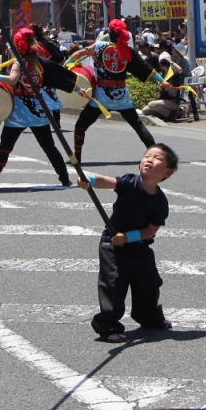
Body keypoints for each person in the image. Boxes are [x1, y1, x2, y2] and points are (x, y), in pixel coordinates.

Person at [79, 143, 179, 343]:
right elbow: (108, 182)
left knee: (149, 283)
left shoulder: (160, 201)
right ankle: (106, 325)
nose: (150, 159)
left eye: (157, 158)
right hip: (112, 244)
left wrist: (129, 237)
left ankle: (148, 317)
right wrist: (88, 180)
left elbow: (151, 230)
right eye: (147, 156)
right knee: (113, 284)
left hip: (139, 246)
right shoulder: (129, 182)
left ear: (167, 173)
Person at [0, 27, 72, 191]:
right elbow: (57, 72)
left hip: (19, 112)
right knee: (49, 147)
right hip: (39, 109)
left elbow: (13, 80)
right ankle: (65, 178)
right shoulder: (40, 62)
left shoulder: (19, 63)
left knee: (5, 147)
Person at [69, 18, 172, 163]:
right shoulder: (127, 51)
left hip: (101, 97)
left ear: (109, 34)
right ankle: (157, 157)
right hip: (121, 97)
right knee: (138, 126)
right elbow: (147, 69)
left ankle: (77, 157)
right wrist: (163, 81)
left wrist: (66, 67)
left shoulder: (99, 46)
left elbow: (78, 55)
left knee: (81, 126)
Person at [142, 51, 183, 121]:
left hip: (172, 101)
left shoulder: (174, 74)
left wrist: (170, 61)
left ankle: (174, 114)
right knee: (145, 111)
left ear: (166, 65)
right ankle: (170, 114)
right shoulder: (162, 74)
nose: (160, 67)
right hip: (163, 100)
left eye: (162, 65)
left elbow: (180, 70)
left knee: (151, 105)